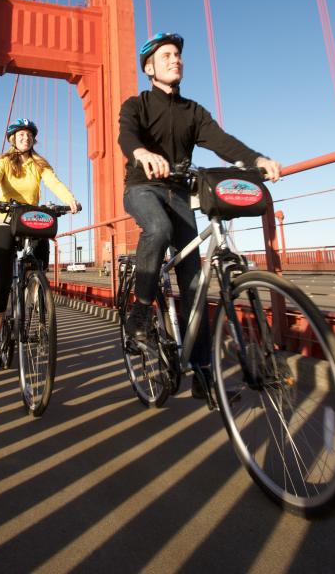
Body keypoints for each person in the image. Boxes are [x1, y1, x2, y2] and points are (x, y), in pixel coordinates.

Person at [118, 33, 281, 399]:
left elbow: (222, 141)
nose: (176, 60)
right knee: (157, 229)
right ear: (150, 67)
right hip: (142, 188)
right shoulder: (137, 105)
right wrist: (142, 152)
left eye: (178, 55)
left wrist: (256, 159)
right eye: (167, 55)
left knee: (194, 284)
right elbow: (126, 136)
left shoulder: (193, 111)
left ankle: (204, 373)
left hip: (180, 195)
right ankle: (141, 315)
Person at [0, 118, 80, 369]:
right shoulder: (3, 162)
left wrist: (71, 199)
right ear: (13, 139)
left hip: (30, 220)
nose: (25, 138)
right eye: (21, 135)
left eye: (29, 135)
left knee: (39, 267)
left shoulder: (40, 164)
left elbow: (54, 183)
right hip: (4, 220)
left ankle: (31, 295)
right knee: (1, 281)